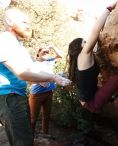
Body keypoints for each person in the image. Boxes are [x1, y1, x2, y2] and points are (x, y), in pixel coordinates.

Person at [0, 8, 71, 146]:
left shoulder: (18, 45)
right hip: (9, 97)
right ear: (9, 21)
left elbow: (32, 70)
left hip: (18, 96)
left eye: (29, 23)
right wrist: (53, 78)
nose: (28, 26)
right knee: (23, 142)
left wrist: (54, 76)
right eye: (24, 22)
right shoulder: (4, 41)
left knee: (26, 137)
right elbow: (22, 73)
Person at [66, 1, 118, 113]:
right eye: (84, 42)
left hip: (89, 95)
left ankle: (110, 98)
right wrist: (109, 8)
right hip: (91, 103)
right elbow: (95, 30)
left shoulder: (83, 58)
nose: (87, 42)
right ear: (79, 47)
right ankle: (108, 98)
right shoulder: (83, 55)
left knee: (106, 88)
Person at [29, 46, 62, 137]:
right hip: (36, 94)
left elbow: (60, 56)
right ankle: (30, 136)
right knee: (33, 118)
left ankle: (45, 133)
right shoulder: (33, 63)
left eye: (47, 52)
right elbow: (28, 78)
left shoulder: (49, 61)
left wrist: (53, 47)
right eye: (44, 51)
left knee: (47, 116)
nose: (46, 53)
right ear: (38, 52)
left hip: (49, 92)